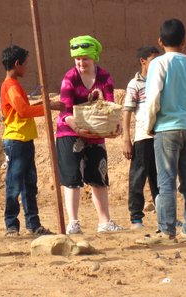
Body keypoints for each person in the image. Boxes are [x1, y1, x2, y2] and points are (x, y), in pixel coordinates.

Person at [140, 19, 186, 244]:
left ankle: (167, 230)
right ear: (184, 41)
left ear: (160, 41)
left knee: (166, 181)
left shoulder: (158, 64)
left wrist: (149, 125)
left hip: (166, 129)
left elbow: (154, 98)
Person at [56, 35, 124, 234]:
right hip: (69, 131)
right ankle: (73, 223)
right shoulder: (69, 78)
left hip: (95, 132)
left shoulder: (104, 77)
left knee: (99, 176)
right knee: (72, 177)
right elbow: (65, 110)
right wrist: (77, 128)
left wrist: (114, 127)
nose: (81, 62)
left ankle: (105, 222)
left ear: (93, 57)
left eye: (85, 58)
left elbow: (110, 106)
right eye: (77, 59)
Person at [0, 45, 64, 236]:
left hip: (24, 139)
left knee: (29, 183)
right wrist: (49, 107)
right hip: (16, 139)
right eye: (25, 65)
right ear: (17, 64)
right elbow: (24, 111)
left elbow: (24, 107)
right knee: (14, 183)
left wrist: (46, 104)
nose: (26, 69)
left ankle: (33, 224)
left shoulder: (13, 85)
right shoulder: (10, 85)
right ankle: (11, 225)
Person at [122, 46, 160, 229]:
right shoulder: (134, 84)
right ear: (143, 61)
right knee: (138, 177)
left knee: (160, 178)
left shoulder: (161, 82)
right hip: (143, 137)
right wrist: (126, 139)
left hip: (160, 137)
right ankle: (136, 217)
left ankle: (164, 216)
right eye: (153, 60)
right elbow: (127, 112)